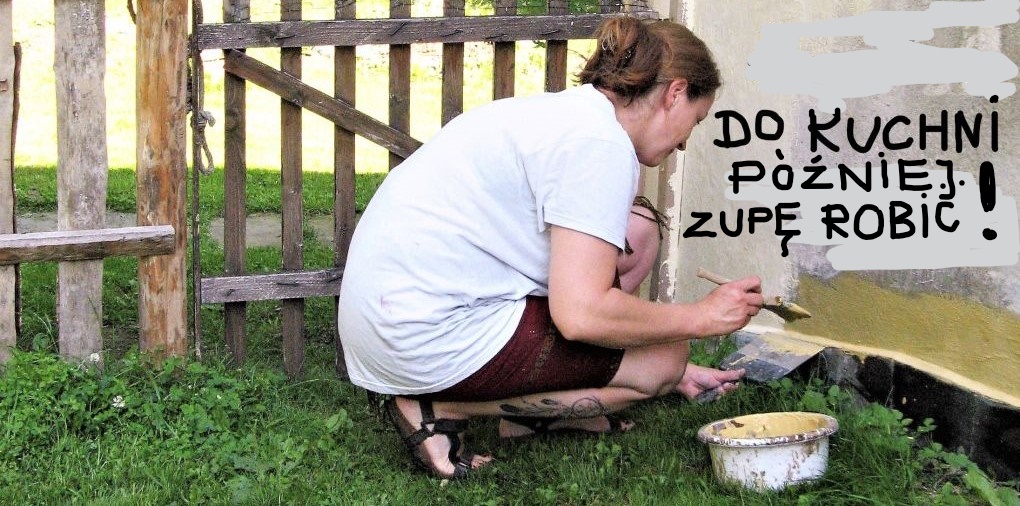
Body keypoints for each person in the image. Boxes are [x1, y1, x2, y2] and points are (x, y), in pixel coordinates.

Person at [337, 15, 764, 479]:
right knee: (665, 358)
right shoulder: (600, 145)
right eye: (694, 121)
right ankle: (435, 407)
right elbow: (581, 315)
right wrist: (701, 319)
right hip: (420, 332)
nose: (684, 144)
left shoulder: (576, 117)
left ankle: (533, 414)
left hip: (394, 315)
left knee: (638, 231)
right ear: (675, 93)